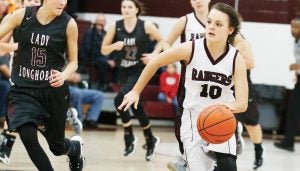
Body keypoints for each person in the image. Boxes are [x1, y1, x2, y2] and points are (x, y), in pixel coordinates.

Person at [119, 3, 248, 171]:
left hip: (220, 118)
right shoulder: (191, 48)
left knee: (228, 167)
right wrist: (136, 91)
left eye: (218, 24)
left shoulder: (236, 58)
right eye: (209, 22)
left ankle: (234, 134)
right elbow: (156, 62)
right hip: (191, 119)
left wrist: (228, 107)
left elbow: (242, 103)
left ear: (230, 30)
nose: (211, 27)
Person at [0, 0, 85, 170]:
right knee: (28, 136)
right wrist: (13, 46)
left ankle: (75, 150)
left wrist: (64, 75)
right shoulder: (22, 15)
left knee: (57, 147)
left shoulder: (69, 24)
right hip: (22, 89)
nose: (62, 2)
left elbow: (74, 62)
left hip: (52, 90)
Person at [101, 0, 164, 161]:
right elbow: (103, 49)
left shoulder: (146, 25)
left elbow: (163, 41)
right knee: (136, 106)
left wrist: (154, 55)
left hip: (139, 71)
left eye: (130, 7)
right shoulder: (116, 26)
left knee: (119, 100)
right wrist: (114, 46)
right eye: (123, 6)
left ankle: (128, 136)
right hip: (123, 71)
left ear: (136, 9)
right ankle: (150, 139)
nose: (126, 9)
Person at [274, 17, 300, 152]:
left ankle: (288, 142)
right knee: (292, 111)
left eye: (296, 27)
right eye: (291, 27)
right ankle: (288, 142)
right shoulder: (296, 41)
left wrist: (296, 66)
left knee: (293, 111)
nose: (293, 29)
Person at [79, 13, 115, 90]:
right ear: (95, 22)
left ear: (105, 23)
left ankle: (114, 84)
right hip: (91, 57)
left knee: (117, 60)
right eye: (98, 21)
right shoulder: (89, 33)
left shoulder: (105, 33)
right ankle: (103, 85)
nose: (100, 23)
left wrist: (112, 59)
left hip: (103, 57)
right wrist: (107, 60)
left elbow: (110, 47)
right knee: (103, 62)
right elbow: (89, 49)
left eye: (102, 21)